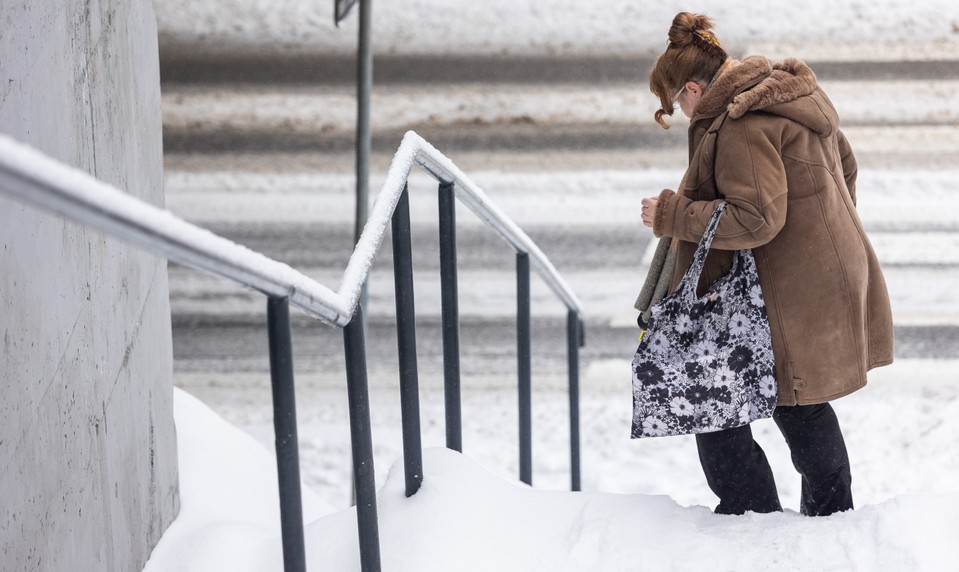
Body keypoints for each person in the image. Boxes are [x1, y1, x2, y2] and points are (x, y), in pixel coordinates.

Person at [637, 12, 894, 516]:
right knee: (797, 398)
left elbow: (754, 219)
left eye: (676, 103)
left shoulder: (740, 123)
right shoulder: (788, 96)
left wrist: (672, 214)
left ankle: (752, 516)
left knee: (717, 398)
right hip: (811, 275)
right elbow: (846, 167)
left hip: (783, 288)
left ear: (693, 87)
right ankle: (829, 515)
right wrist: (823, 236)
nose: (682, 114)